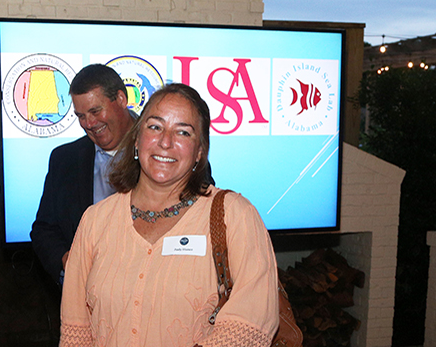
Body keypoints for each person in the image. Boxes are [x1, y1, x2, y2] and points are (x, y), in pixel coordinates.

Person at [59, 83, 279, 346]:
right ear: (137, 139)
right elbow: (76, 332)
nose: (166, 142)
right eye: (155, 127)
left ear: (199, 152)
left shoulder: (235, 216)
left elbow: (248, 327)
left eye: (183, 132)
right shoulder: (95, 221)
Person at [30, 64, 137, 285]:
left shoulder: (166, 151)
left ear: (121, 99)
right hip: (87, 301)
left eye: (95, 111)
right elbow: (44, 230)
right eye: (81, 116)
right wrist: (67, 261)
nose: (89, 124)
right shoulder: (64, 159)